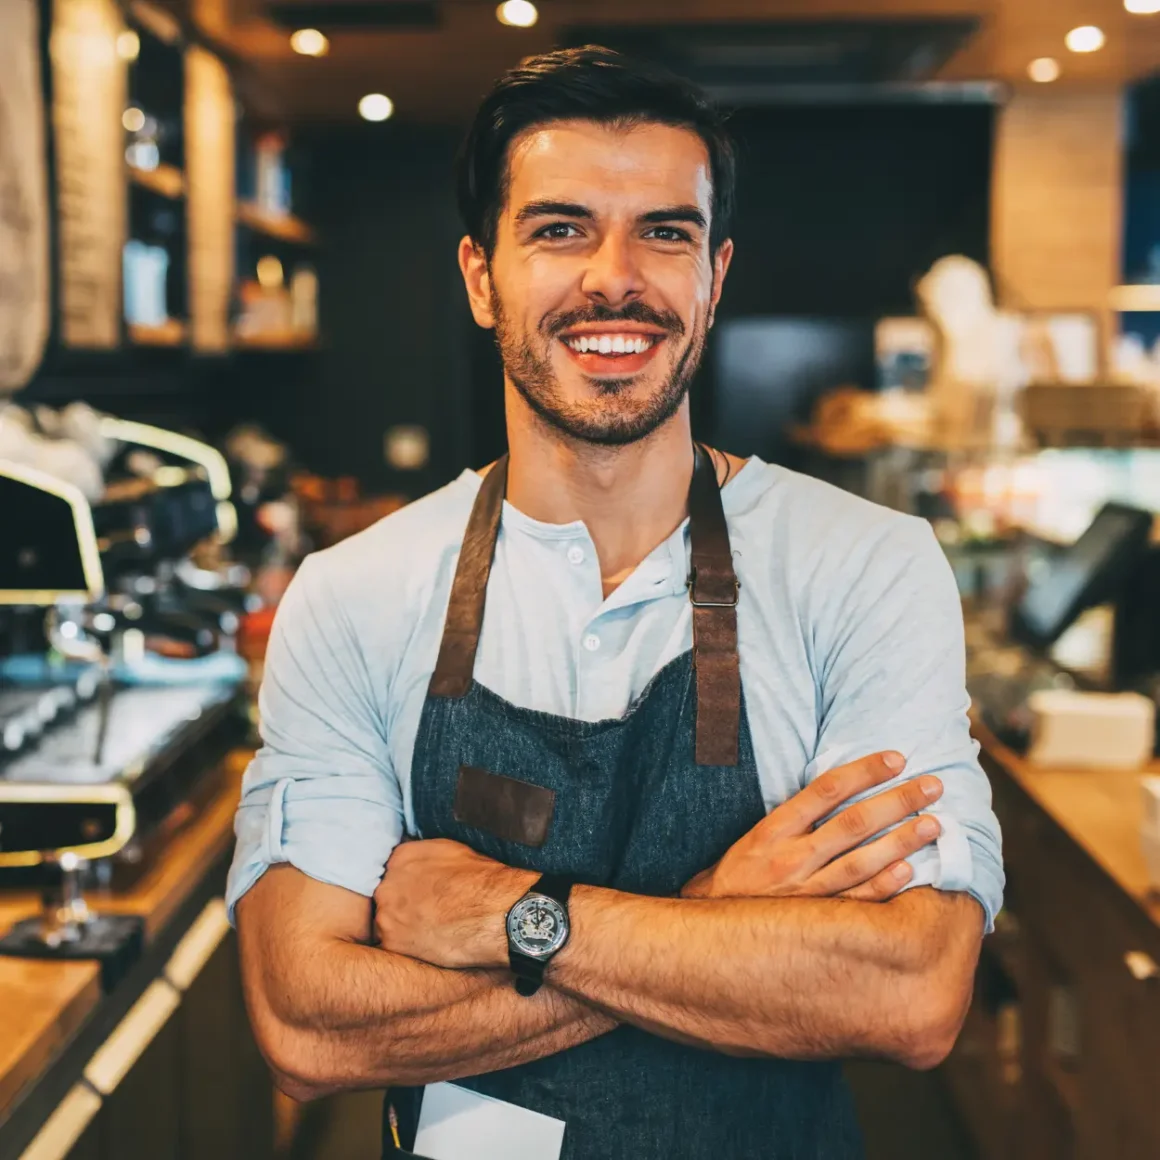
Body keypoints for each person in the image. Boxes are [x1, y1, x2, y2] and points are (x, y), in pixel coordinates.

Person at [230, 46, 1003, 1160]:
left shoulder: (866, 567)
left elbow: (910, 989)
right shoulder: (356, 593)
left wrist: (511, 914)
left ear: (714, 275)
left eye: (664, 231)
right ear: (479, 275)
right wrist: (717, 915)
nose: (613, 277)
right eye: (557, 229)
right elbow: (306, 1020)